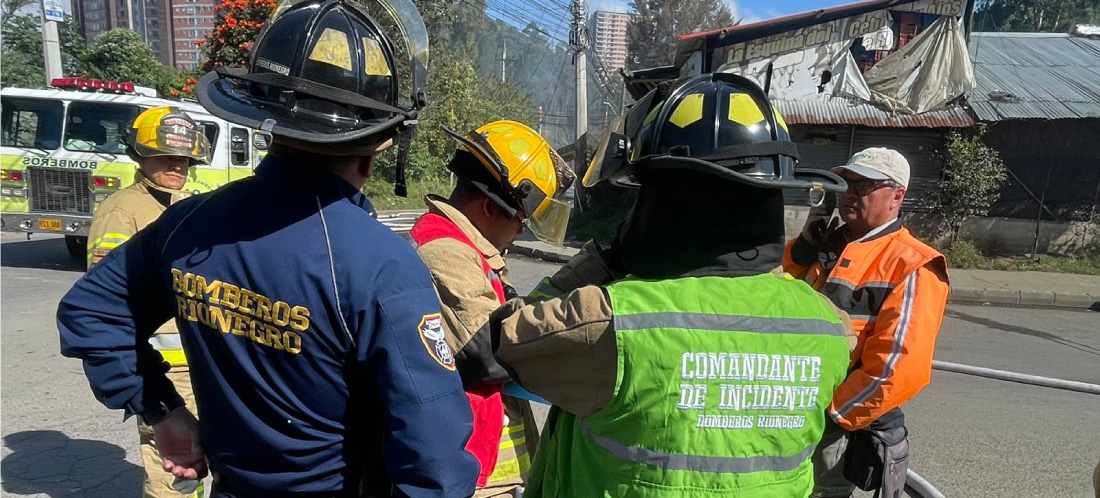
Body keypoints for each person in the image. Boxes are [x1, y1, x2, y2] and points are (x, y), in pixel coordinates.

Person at [57, 1, 479, 496]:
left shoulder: (187, 224)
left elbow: (91, 313)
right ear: (377, 146)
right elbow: (434, 457)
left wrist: (161, 410)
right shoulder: (382, 265)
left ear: (262, 118)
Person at [485, 73, 855, 497]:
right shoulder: (828, 327)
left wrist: (606, 259)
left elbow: (498, 344)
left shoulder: (609, 321)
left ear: (662, 201)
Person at [409, 120, 573, 497]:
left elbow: (519, 316)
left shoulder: (470, 250)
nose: (521, 232)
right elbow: (488, 349)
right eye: (520, 220)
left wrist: (593, 266)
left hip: (488, 471)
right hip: (473, 474)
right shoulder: (445, 251)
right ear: (487, 207)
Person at [783, 147, 950, 498]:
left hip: (829, 426)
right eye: (845, 184)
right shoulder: (825, 243)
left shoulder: (913, 264)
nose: (849, 194)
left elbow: (897, 369)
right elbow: (768, 299)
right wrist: (802, 251)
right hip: (786, 408)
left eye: (863, 186)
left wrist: (831, 415)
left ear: (897, 196)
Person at [85, 105, 210, 498]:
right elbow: (108, 301)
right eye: (166, 156)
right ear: (140, 155)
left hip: (201, 360)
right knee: (172, 464)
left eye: (184, 158)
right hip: (163, 368)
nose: (177, 165)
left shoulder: (187, 203)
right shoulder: (122, 211)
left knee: (202, 461)